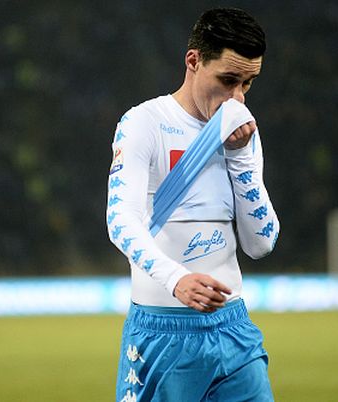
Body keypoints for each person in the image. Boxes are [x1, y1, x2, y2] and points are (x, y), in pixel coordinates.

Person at [106, 8, 280, 401]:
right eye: (228, 80)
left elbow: (261, 243)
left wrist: (240, 157)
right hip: (161, 332)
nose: (237, 98)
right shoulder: (144, 123)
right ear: (193, 61)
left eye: (248, 84)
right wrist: (177, 279)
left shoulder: (243, 133)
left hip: (233, 331)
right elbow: (120, 220)